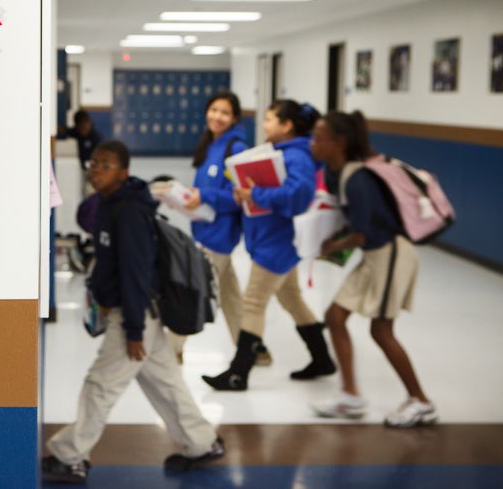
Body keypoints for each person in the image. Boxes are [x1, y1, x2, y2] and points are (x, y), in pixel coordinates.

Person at [42, 140, 224, 483]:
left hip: (135, 312)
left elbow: (136, 272)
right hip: (137, 310)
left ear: (124, 172)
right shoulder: (109, 204)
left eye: (105, 165)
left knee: (101, 385)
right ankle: (202, 443)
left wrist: (134, 330)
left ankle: (71, 455)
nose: (96, 170)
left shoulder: (128, 211)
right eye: (94, 163)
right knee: (166, 383)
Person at [309, 111, 437, 428]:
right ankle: (350, 395)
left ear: (339, 142)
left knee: (381, 330)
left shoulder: (359, 180)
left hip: (391, 254)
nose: (314, 143)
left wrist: (331, 246)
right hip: (372, 255)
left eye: (319, 137)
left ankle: (421, 401)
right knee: (335, 316)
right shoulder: (336, 171)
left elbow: (362, 233)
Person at [202, 99, 336, 391]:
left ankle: (238, 373)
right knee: (293, 300)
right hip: (273, 240)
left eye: (270, 119)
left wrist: (255, 194)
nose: (264, 125)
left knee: (253, 303)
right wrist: (248, 194)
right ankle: (322, 358)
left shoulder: (296, 156)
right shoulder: (283, 153)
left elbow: (297, 196)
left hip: (277, 243)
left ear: (287, 126)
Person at [169, 91, 272, 366]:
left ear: (235, 118)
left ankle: (171, 349)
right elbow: (207, 189)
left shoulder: (235, 148)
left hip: (220, 236)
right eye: (214, 110)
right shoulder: (210, 145)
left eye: (225, 113)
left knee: (194, 291)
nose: (217, 117)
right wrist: (189, 196)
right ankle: (253, 349)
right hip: (204, 230)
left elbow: (238, 197)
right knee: (229, 295)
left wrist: (205, 197)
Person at [58, 109, 103, 195]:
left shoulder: (96, 138)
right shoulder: (78, 133)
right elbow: (67, 131)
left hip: (95, 170)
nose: (83, 131)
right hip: (85, 169)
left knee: (93, 191)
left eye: (84, 127)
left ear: (89, 123)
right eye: (80, 128)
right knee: (85, 191)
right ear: (77, 127)